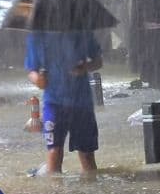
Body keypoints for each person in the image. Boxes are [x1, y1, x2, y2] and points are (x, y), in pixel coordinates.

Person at [25, 30, 103, 175]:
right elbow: (32, 70)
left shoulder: (82, 32)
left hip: (82, 103)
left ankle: (90, 191)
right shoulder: (37, 36)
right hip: (54, 102)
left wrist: (84, 67)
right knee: (54, 152)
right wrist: (38, 80)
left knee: (87, 155)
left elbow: (98, 61)